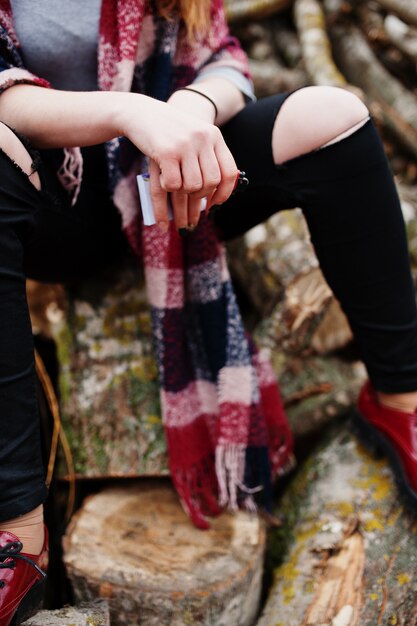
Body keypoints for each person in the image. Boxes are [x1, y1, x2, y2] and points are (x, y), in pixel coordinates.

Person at [0, 0, 417, 624]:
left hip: (163, 188)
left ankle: (399, 403)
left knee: (335, 115)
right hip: (43, 208)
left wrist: (189, 111)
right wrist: (132, 111)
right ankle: (18, 531)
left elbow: (225, 60)